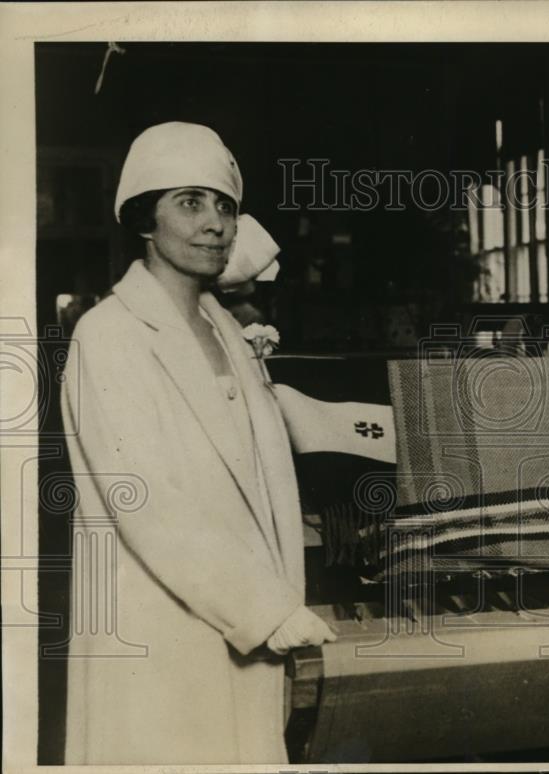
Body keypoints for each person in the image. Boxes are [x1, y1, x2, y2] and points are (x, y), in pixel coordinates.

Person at [60, 122, 336, 765]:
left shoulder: (226, 331)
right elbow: (148, 500)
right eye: (190, 202)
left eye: (225, 205)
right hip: (162, 632)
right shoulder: (110, 337)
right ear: (143, 221)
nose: (215, 222)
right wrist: (267, 610)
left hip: (239, 624)